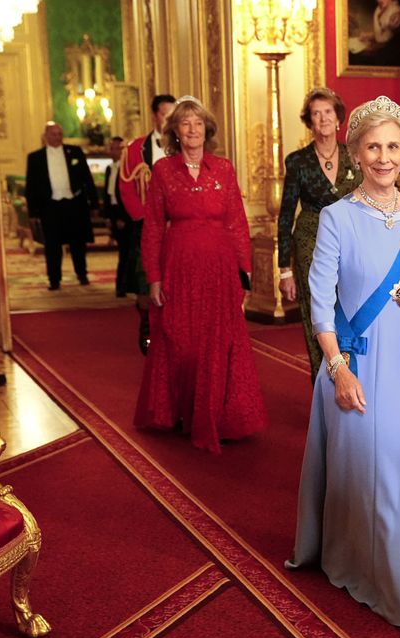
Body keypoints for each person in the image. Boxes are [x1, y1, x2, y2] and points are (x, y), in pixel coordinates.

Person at [286, 96, 400, 629]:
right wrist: (337, 368)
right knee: (378, 474)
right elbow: (320, 302)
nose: (384, 157)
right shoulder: (337, 218)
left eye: (393, 147)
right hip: (360, 363)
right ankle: (374, 572)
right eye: (373, 147)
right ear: (356, 155)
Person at [133, 96, 266, 454]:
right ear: (174, 131)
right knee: (182, 341)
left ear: (207, 130)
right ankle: (184, 412)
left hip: (220, 269)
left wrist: (245, 273)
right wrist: (154, 277)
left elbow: (237, 222)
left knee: (218, 341)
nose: (192, 129)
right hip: (178, 268)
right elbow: (153, 227)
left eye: (198, 123)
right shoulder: (163, 171)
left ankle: (220, 416)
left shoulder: (223, 168)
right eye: (185, 123)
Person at [277, 88, 359, 381]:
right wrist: (285, 270)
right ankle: (323, 385)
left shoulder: (355, 155)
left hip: (351, 243)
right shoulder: (297, 161)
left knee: (351, 310)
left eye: (328, 112)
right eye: (316, 113)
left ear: (338, 118)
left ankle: (352, 379)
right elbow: (286, 214)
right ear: (309, 121)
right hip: (310, 241)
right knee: (318, 314)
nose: (323, 118)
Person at [119, 94, 177, 354]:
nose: (169, 120)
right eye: (165, 114)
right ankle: (146, 324)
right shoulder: (135, 149)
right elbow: (126, 188)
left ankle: (172, 328)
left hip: (177, 225)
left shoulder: (184, 146)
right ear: (155, 116)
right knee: (145, 280)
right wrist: (145, 219)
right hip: (146, 226)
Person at [24, 121, 98, 290]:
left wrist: (94, 204)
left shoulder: (75, 152)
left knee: (78, 243)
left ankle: (82, 274)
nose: (57, 137)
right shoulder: (35, 158)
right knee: (52, 245)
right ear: (46, 136)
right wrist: (33, 212)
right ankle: (54, 279)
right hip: (50, 206)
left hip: (74, 204)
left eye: (59, 134)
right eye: (53, 134)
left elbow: (87, 179)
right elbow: (31, 187)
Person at [103, 136, 132, 297]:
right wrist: (108, 217)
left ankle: (122, 285)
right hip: (114, 213)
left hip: (124, 215)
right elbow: (109, 195)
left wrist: (124, 217)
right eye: (112, 148)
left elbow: (128, 195)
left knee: (125, 252)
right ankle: (122, 285)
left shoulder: (128, 169)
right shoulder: (110, 169)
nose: (114, 152)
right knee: (122, 250)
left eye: (117, 148)